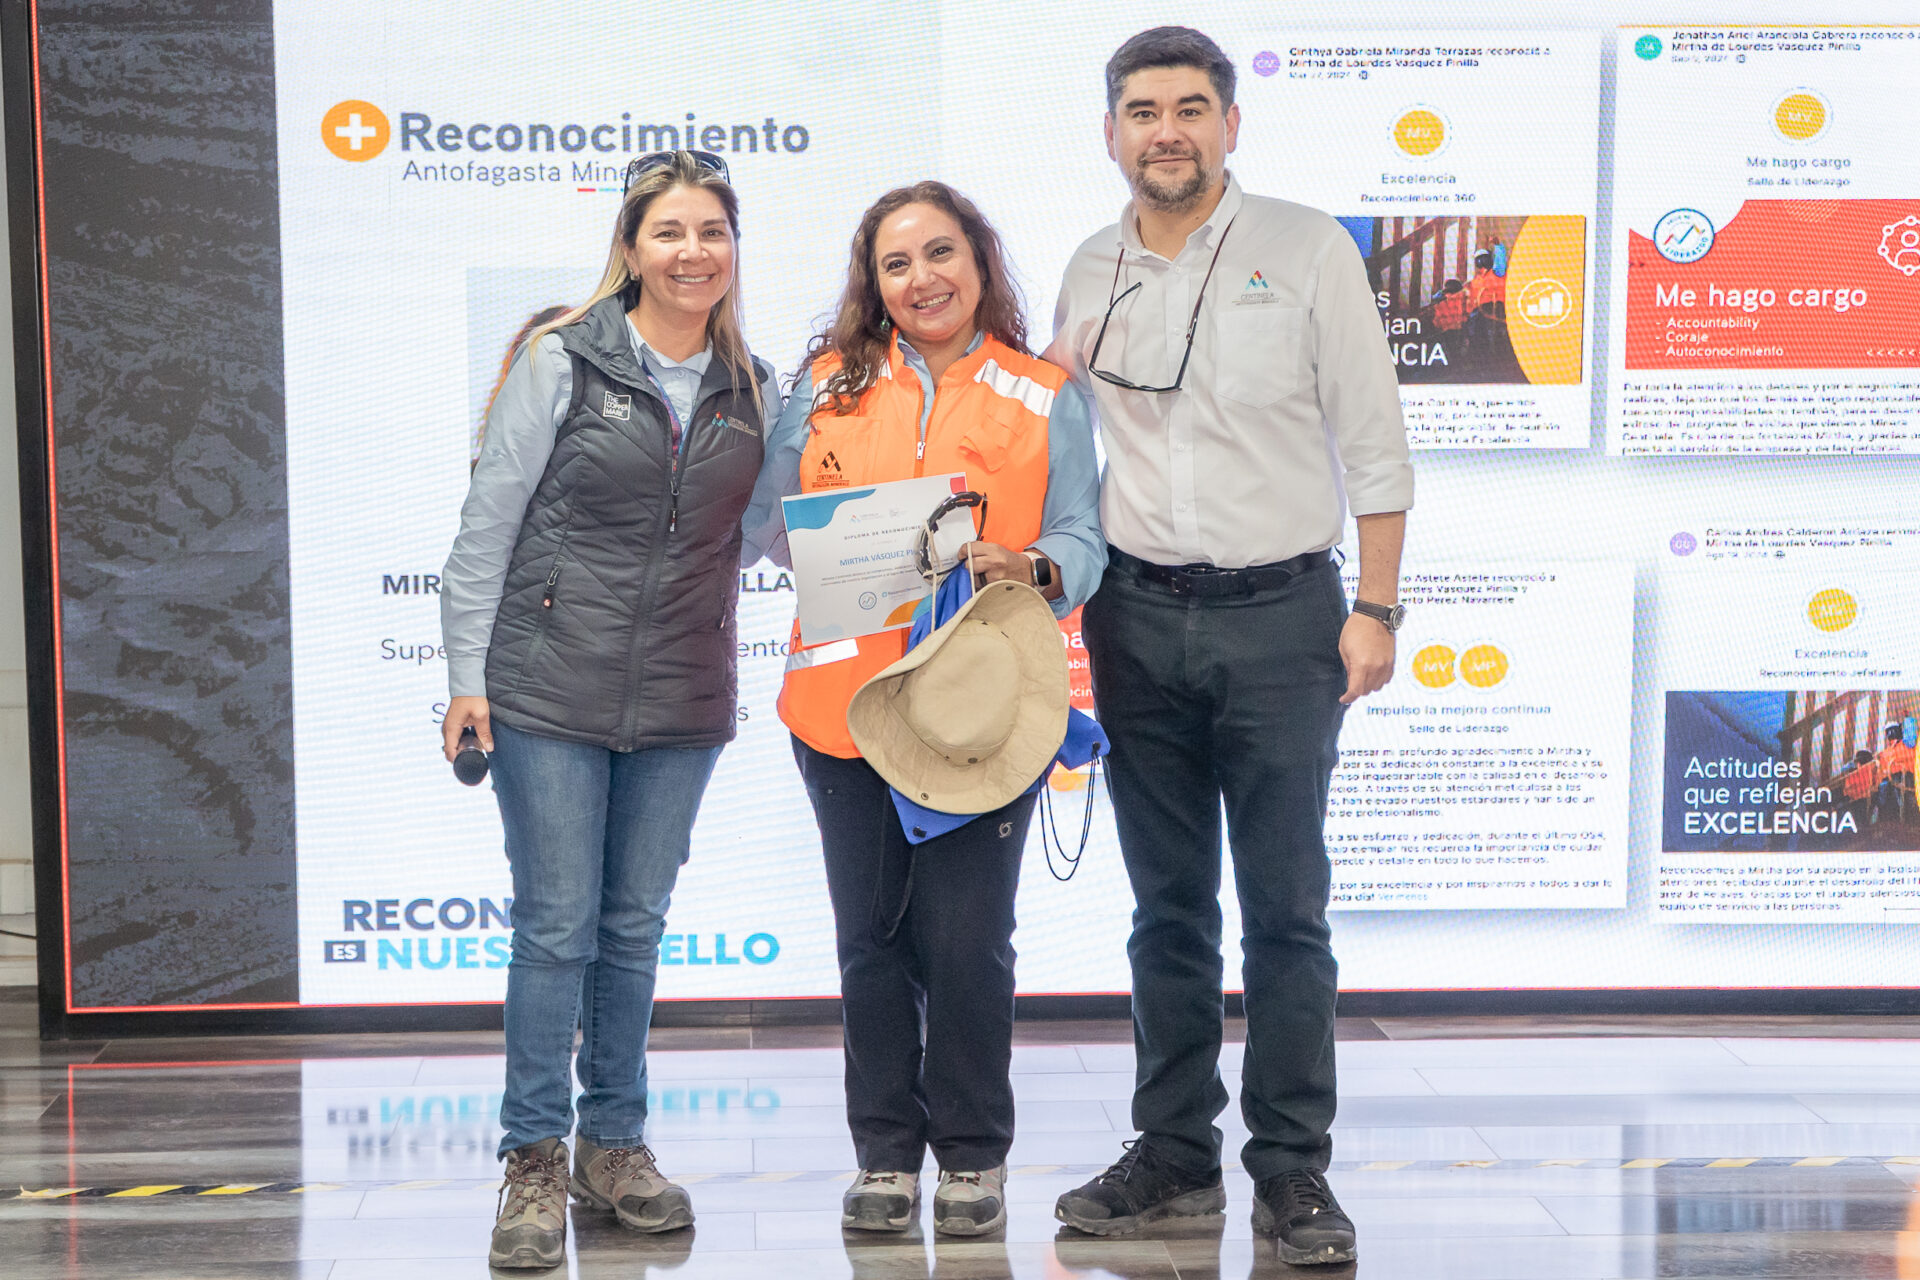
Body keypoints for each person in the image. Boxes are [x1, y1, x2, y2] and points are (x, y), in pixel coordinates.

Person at [1045, 27, 1413, 1266]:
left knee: (1286, 909)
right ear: (1111, 133)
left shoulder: (1307, 249)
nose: (1169, 131)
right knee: (1166, 908)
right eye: (1144, 111)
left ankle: (1294, 1165)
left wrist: (1378, 608)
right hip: (1136, 617)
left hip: (1284, 619)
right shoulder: (1090, 267)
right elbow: (1056, 442)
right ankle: (1172, 1148)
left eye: (1191, 108)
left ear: (1230, 125)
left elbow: (1374, 441)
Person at [439, 150, 782, 1271]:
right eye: (669, 231)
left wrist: (904, 530)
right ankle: (534, 1155)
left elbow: (774, 538)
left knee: (633, 927)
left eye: (713, 231)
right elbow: (487, 524)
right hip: (547, 687)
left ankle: (615, 1145)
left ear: (734, 249)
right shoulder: (563, 358)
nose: (693, 252)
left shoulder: (757, 387)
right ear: (630, 248)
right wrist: (466, 677)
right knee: (556, 926)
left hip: (684, 694)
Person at [741, 181, 1103, 1237]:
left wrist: (1029, 565)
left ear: (980, 262)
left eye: (941, 253)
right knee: (871, 940)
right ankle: (886, 1157)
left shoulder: (1043, 393)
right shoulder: (824, 384)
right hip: (841, 708)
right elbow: (764, 520)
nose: (921, 279)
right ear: (874, 283)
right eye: (895, 264)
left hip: (984, 711)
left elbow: (1083, 538)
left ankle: (974, 1159)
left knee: (969, 942)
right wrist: (833, 546)